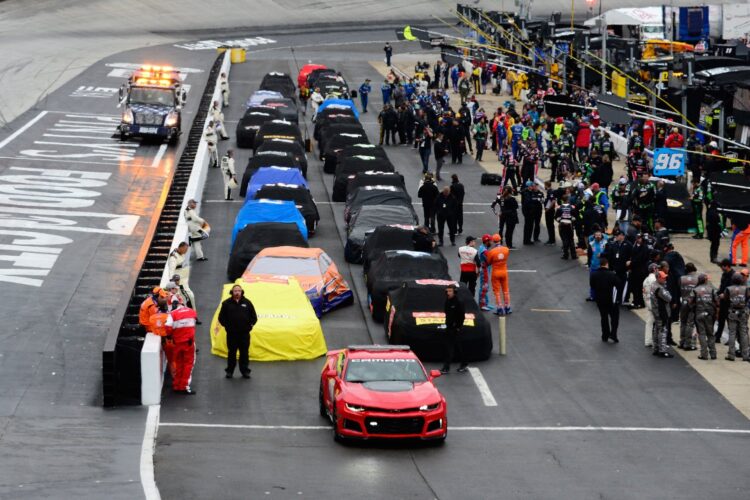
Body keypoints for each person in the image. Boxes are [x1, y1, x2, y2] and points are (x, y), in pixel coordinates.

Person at [218, 284, 258, 379]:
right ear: (232, 292)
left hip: (244, 334)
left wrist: (250, 326)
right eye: (235, 291)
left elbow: (254, 317)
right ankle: (230, 371)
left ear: (242, 292)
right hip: (232, 334)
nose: (237, 292)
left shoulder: (247, 303)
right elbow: (221, 318)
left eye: (239, 291)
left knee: (244, 353)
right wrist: (227, 326)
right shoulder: (226, 303)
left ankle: (245, 371)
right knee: (232, 353)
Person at [165, 302, 198, 395]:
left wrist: (170, 337)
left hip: (177, 343)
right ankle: (184, 386)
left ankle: (177, 385)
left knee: (179, 363)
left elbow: (168, 328)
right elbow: (194, 324)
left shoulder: (172, 314)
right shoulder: (191, 312)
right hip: (189, 343)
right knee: (188, 364)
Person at [589, 256, 622, 343]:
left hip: (600, 299)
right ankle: (613, 334)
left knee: (604, 317)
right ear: (607, 264)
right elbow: (619, 285)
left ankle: (605, 335)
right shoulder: (612, 274)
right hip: (611, 299)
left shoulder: (594, 274)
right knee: (614, 317)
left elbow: (592, 286)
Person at [721, 273, 750, 361]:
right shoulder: (746, 289)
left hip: (732, 313)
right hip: (743, 312)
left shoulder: (728, 289)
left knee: (732, 333)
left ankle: (731, 355)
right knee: (744, 334)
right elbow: (748, 297)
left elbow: (725, 299)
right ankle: (745, 355)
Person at [690, 273, 719, 360]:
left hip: (699, 314)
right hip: (709, 315)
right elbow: (717, 302)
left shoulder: (695, 290)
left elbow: (690, 302)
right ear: (706, 280)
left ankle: (704, 354)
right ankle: (713, 354)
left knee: (701, 334)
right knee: (710, 334)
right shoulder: (712, 289)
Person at [441, 284, 468, 373]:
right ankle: (446, 366)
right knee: (448, 348)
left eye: (450, 291)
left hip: (456, 329)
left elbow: (462, 316)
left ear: (455, 292)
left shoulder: (459, 302)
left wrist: (458, 327)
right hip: (449, 327)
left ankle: (463, 364)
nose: (448, 293)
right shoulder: (447, 301)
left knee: (459, 347)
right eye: (447, 291)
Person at [485, 234, 511, 315]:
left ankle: (500, 308)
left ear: (493, 241)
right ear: (500, 240)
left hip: (496, 272)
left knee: (496, 291)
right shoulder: (506, 249)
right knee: (505, 290)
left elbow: (488, 262)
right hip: (504, 271)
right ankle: (507, 307)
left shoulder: (492, 252)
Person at [651, 271, 675, 358]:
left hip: (656, 311)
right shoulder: (660, 288)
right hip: (662, 312)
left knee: (656, 330)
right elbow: (669, 298)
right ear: (658, 278)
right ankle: (662, 351)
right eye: (663, 277)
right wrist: (666, 290)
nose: (665, 279)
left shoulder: (653, 285)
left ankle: (656, 348)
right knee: (663, 331)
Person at [678, 263, 699, 351]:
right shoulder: (697, 279)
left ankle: (682, 342)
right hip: (693, 304)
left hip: (683, 302)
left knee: (683, 322)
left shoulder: (681, 279)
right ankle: (688, 344)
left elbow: (678, 289)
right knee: (690, 324)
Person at [715, 259, 735, 343]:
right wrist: (717, 294)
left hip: (729, 302)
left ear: (726, 266)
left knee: (730, 321)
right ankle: (717, 337)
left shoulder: (733, 276)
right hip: (723, 301)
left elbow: (733, 289)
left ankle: (731, 339)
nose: (721, 268)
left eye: (722, 266)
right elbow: (722, 286)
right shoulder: (724, 274)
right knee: (721, 319)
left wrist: (725, 295)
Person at [521, 181, 543, 245]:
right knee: (528, 226)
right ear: (529, 186)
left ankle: (528, 239)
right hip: (528, 212)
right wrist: (535, 200)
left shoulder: (527, 192)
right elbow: (528, 201)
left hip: (530, 211)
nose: (533, 187)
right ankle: (527, 240)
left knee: (529, 226)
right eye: (532, 186)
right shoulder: (527, 193)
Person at [555, 194, 576, 259]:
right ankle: (573, 255)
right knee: (571, 240)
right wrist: (571, 221)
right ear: (568, 200)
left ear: (562, 200)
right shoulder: (572, 207)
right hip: (570, 225)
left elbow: (556, 217)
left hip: (562, 225)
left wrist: (561, 221)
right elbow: (575, 217)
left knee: (564, 240)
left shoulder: (559, 208)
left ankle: (566, 255)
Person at [642, 263, 658, 348]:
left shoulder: (646, 279)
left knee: (649, 322)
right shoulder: (654, 279)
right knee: (658, 322)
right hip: (653, 301)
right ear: (654, 269)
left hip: (648, 301)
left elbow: (644, 292)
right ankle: (657, 341)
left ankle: (648, 341)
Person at [477, 234, 493, 311]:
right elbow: (489, 261)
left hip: (484, 269)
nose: (491, 242)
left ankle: (485, 303)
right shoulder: (484, 251)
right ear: (486, 241)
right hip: (485, 270)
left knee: (485, 287)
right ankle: (482, 304)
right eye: (490, 241)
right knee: (484, 287)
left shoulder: (482, 247)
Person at [543, 180, 557, 246]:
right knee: (550, 225)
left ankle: (551, 240)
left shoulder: (550, 191)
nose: (544, 186)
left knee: (550, 225)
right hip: (550, 210)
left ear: (546, 185)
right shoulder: (550, 191)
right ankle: (551, 239)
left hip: (550, 211)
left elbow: (553, 201)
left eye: (544, 185)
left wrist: (548, 209)